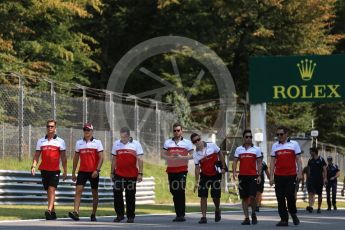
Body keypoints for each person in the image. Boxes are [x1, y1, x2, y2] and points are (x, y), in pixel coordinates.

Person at [31, 119, 67, 220]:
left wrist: (65, 170)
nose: (49, 128)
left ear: (55, 128)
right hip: (44, 170)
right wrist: (33, 166)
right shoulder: (40, 141)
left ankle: (49, 210)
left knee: (52, 189)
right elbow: (36, 156)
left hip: (55, 170)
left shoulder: (60, 141)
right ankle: (53, 212)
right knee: (49, 191)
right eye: (48, 126)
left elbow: (64, 157)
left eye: (52, 126)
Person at [68, 123, 104, 221]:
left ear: (92, 131)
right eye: (85, 130)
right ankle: (76, 212)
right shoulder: (79, 143)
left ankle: (93, 214)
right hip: (82, 171)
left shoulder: (97, 142)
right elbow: (76, 158)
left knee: (94, 193)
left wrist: (97, 170)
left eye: (88, 130)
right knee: (78, 191)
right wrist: (73, 172)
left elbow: (101, 158)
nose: (86, 131)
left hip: (94, 172)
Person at [269, 126, 302, 226]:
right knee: (280, 198)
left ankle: (293, 213)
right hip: (278, 176)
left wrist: (300, 173)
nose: (279, 136)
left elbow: (298, 160)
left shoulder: (294, 144)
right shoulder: (275, 146)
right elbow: (272, 162)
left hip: (291, 175)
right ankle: (284, 219)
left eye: (281, 134)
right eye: (277, 134)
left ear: (286, 134)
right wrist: (271, 177)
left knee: (290, 196)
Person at [191, 133, 226, 224]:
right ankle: (203, 217)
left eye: (198, 139)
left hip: (215, 175)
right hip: (204, 176)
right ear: (193, 143)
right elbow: (197, 168)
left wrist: (223, 167)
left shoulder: (212, 145)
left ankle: (217, 209)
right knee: (203, 196)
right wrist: (196, 181)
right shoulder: (195, 154)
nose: (197, 142)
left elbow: (220, 154)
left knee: (215, 196)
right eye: (195, 141)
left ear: (200, 138)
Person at [111, 127, 144, 223]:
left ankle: (130, 216)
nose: (123, 139)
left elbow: (140, 159)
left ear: (129, 136)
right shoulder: (116, 144)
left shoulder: (136, 144)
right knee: (117, 193)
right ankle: (120, 215)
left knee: (130, 196)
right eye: (121, 137)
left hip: (132, 175)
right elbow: (114, 159)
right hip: (119, 174)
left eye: (124, 137)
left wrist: (140, 173)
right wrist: (112, 172)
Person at [162, 122, 193, 222]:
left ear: (182, 131)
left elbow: (192, 155)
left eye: (178, 130)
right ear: (173, 131)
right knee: (173, 191)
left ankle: (181, 215)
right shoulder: (168, 142)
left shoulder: (187, 143)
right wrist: (169, 157)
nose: (176, 132)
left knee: (180, 190)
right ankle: (178, 213)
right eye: (174, 131)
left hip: (182, 170)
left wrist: (182, 157)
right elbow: (162, 155)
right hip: (171, 170)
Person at [233, 129, 262, 225]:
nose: (249, 138)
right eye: (247, 137)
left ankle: (253, 213)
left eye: (250, 137)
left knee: (252, 197)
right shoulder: (238, 149)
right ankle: (246, 218)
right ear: (243, 138)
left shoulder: (256, 149)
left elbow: (259, 163)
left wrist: (259, 175)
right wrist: (234, 172)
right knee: (244, 198)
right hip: (242, 176)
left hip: (253, 176)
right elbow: (235, 161)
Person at [305, 148, 327, 213]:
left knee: (319, 194)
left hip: (319, 179)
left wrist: (325, 178)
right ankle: (311, 206)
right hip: (311, 179)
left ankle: (319, 208)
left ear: (314, 152)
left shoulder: (321, 159)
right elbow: (308, 169)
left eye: (311, 152)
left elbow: (325, 170)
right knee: (311, 193)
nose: (310, 153)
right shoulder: (310, 160)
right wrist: (308, 178)